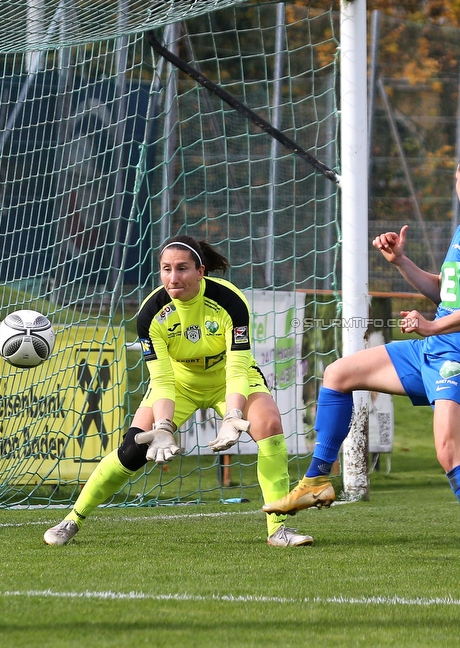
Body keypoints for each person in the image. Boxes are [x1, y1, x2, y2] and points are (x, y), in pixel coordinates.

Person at [262, 143, 460, 573]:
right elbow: (448, 292)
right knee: (339, 374)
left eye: (456, 180)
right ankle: (317, 481)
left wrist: (434, 326)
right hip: (434, 349)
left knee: (449, 453)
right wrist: (401, 262)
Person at [44, 235, 313, 548]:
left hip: (228, 379)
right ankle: (71, 519)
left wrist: (233, 413)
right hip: (179, 383)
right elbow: (161, 379)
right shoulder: (150, 314)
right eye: (166, 269)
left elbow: (238, 368)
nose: (173, 277)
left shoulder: (230, 301)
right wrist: (162, 427)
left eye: (182, 269)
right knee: (133, 449)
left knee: (269, 425)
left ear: (201, 272)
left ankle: (277, 530)